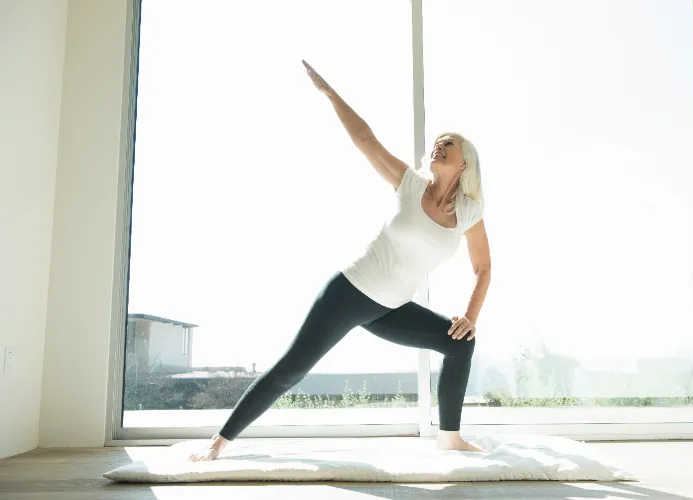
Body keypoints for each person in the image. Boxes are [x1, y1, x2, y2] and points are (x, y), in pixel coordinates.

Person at [188, 60, 492, 461]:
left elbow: (483, 267)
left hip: (393, 307)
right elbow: (366, 139)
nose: (438, 144)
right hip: (350, 293)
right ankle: (221, 440)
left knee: (460, 344)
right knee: (292, 369)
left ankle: (449, 436)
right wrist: (331, 94)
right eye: (436, 141)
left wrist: (469, 315)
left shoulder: (469, 213)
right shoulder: (409, 185)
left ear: (464, 162)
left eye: (447, 143)